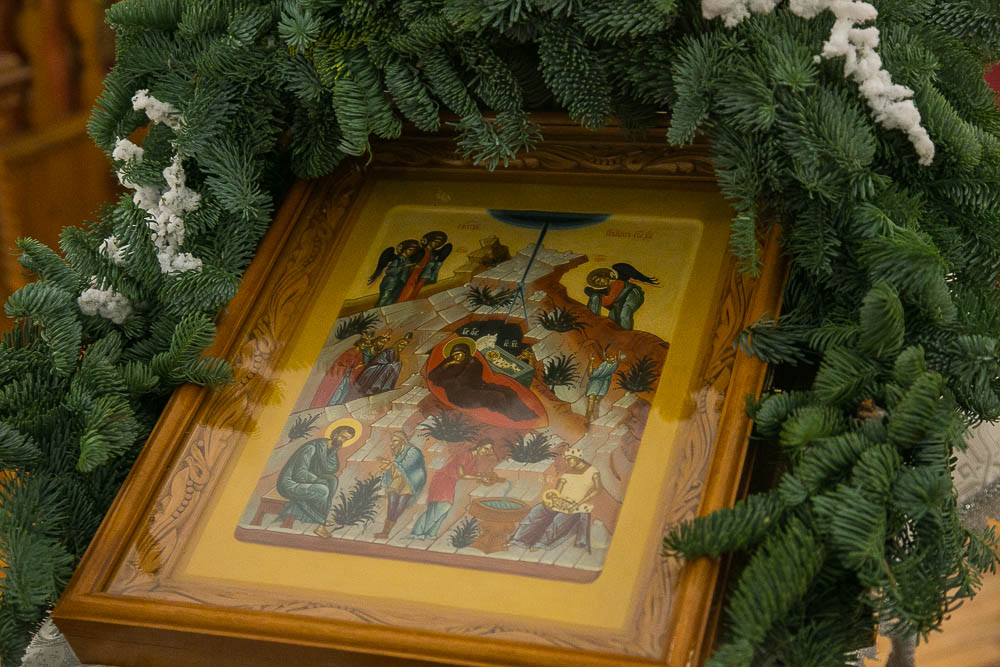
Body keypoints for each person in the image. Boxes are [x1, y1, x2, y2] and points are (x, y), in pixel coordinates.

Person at [426, 338, 545, 427]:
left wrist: (463, 368)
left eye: (460, 354)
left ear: (466, 353)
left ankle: (527, 414)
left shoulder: (473, 361)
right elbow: (432, 377)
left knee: (507, 391)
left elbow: (474, 378)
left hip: (475, 387)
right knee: (496, 396)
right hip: (461, 395)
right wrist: (447, 364)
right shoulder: (448, 365)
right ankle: (516, 417)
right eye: (455, 355)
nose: (457, 357)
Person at [276, 421, 359, 536]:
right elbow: (299, 473)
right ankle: (320, 523)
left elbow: (331, 469)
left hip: (304, 481)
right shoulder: (312, 447)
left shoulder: (330, 449)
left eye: (346, 439)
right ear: (335, 433)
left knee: (333, 480)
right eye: (342, 436)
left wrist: (333, 452)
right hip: (290, 483)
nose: (342, 441)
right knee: (323, 490)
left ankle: (321, 520)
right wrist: (317, 480)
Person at [510, 448, 601, 552]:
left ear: (578, 458)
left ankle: (541, 543)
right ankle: (519, 539)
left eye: (569, 459)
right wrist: (555, 499)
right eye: (566, 459)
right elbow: (557, 491)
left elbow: (597, 490)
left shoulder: (592, 472)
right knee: (537, 511)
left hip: (578, 505)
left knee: (559, 520)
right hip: (561, 502)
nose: (567, 462)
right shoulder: (567, 473)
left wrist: (577, 504)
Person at [410, 442, 497, 540]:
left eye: (488, 450)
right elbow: (462, 475)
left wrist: (484, 477)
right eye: (485, 448)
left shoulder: (473, 459)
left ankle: (430, 533)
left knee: (441, 509)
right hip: (443, 479)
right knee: (441, 506)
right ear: (479, 447)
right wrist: (480, 477)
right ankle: (418, 533)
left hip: (450, 482)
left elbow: (472, 474)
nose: (486, 452)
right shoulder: (465, 455)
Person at [373, 431, 427, 539]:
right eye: (392, 441)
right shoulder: (400, 454)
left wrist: (390, 464)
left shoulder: (413, 451)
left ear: (402, 440)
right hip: (398, 480)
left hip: (411, 480)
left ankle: (387, 531)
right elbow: (396, 467)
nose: (392, 443)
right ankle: (385, 531)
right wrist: (389, 465)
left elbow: (408, 464)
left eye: (395, 441)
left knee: (401, 504)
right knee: (392, 503)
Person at [584, 263, 659, 330]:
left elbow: (609, 300)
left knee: (625, 313)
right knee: (613, 317)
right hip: (621, 301)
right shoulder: (608, 289)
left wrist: (594, 295)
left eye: (600, 280)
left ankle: (626, 334)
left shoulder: (617, 283)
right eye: (597, 284)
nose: (600, 283)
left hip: (632, 294)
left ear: (606, 276)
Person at [309, 332, 373, 408]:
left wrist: (358, 367)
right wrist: (348, 367)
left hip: (348, 377)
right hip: (340, 375)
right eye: (364, 343)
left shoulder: (360, 354)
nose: (364, 346)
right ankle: (328, 405)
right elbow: (340, 363)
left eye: (366, 345)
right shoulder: (350, 351)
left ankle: (336, 406)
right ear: (359, 343)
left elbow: (358, 365)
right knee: (335, 391)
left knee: (344, 392)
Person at [353, 331, 412, 397]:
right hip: (373, 369)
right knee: (390, 366)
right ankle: (375, 387)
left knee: (398, 364)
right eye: (401, 344)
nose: (402, 347)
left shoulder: (396, 354)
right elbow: (380, 360)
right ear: (397, 344)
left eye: (404, 346)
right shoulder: (390, 350)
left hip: (381, 369)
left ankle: (386, 387)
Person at [397, 231, 452, 301]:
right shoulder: (420, 250)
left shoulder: (433, 253)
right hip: (415, 271)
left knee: (418, 288)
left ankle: (410, 300)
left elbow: (447, 248)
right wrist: (413, 266)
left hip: (425, 273)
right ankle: (402, 300)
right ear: (429, 241)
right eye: (435, 242)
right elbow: (409, 260)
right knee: (409, 286)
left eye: (438, 243)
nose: (436, 244)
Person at [368, 240, 423, 306]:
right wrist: (404, 267)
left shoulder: (408, 260)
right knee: (383, 300)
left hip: (399, 284)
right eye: (410, 250)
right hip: (390, 283)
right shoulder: (397, 259)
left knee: (391, 301)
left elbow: (406, 273)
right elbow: (389, 271)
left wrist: (413, 267)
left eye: (413, 251)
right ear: (404, 249)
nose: (411, 252)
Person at [585, 347, 625, 424]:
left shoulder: (608, 365)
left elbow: (591, 374)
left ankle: (589, 419)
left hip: (596, 384)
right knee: (595, 401)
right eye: (609, 355)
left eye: (612, 356)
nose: (610, 358)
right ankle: (592, 419)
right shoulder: (611, 364)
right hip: (601, 385)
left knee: (593, 400)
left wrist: (591, 361)